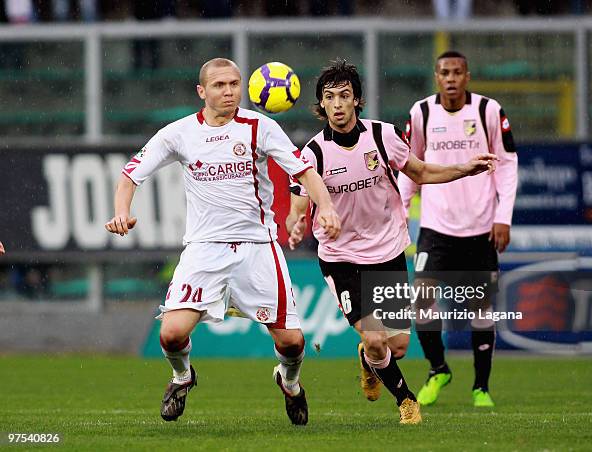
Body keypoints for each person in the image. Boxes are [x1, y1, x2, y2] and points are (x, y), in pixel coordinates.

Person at [105, 57, 341, 425]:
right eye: (219, 85)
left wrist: (324, 206)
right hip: (204, 249)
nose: (229, 91)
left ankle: (290, 383)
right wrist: (121, 211)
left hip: (258, 249)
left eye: (234, 84)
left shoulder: (260, 126)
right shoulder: (179, 133)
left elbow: (303, 170)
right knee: (170, 334)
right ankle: (182, 377)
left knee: (293, 343)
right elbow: (131, 175)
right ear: (202, 91)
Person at [287, 59, 497, 424]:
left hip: (387, 251)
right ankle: (407, 402)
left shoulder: (383, 136)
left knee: (395, 345)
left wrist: (465, 167)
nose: (337, 104)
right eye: (329, 97)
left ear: (357, 101)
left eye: (344, 96)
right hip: (341, 257)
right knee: (374, 338)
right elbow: (298, 204)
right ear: (321, 105)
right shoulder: (313, 154)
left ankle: (370, 361)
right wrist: (296, 224)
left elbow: (421, 171)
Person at [398, 50, 518, 408]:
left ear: (467, 76)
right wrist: (400, 215)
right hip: (435, 228)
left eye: (457, 72)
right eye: (444, 72)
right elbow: (410, 168)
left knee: (482, 310)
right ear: (436, 78)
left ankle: (481, 387)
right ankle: (438, 369)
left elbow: (507, 165)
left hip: (481, 227)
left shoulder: (488, 111)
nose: (450, 78)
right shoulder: (421, 113)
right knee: (421, 301)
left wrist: (504, 216)